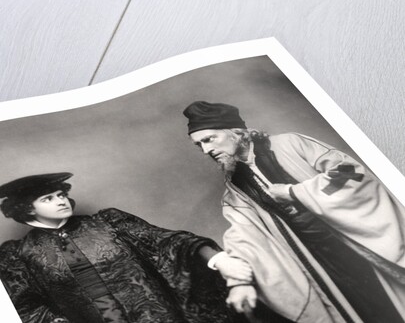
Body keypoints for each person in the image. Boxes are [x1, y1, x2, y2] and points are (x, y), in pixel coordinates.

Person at [183, 100, 405, 323]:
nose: (206, 150)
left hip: (355, 244)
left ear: (236, 132)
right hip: (316, 262)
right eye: (199, 145)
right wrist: (238, 282)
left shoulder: (291, 143)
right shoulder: (235, 190)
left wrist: (294, 192)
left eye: (209, 139)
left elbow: (351, 174)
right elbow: (243, 236)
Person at [0, 172, 251, 323]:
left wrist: (219, 259)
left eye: (61, 194)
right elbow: (26, 307)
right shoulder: (18, 255)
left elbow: (166, 241)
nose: (61, 201)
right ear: (27, 209)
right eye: (48, 198)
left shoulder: (108, 222)